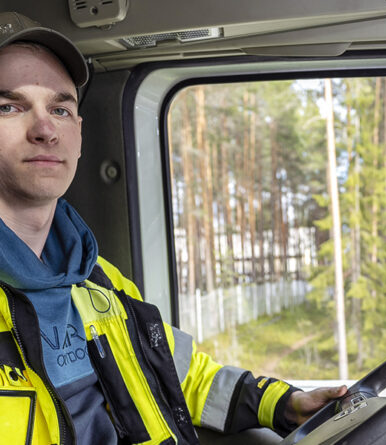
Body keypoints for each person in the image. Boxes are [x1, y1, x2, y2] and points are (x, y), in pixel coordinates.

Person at [0, 11, 348, 445]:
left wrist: (280, 403)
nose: (46, 129)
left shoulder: (101, 281)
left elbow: (179, 372)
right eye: (9, 107)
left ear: (80, 134)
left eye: (60, 109)